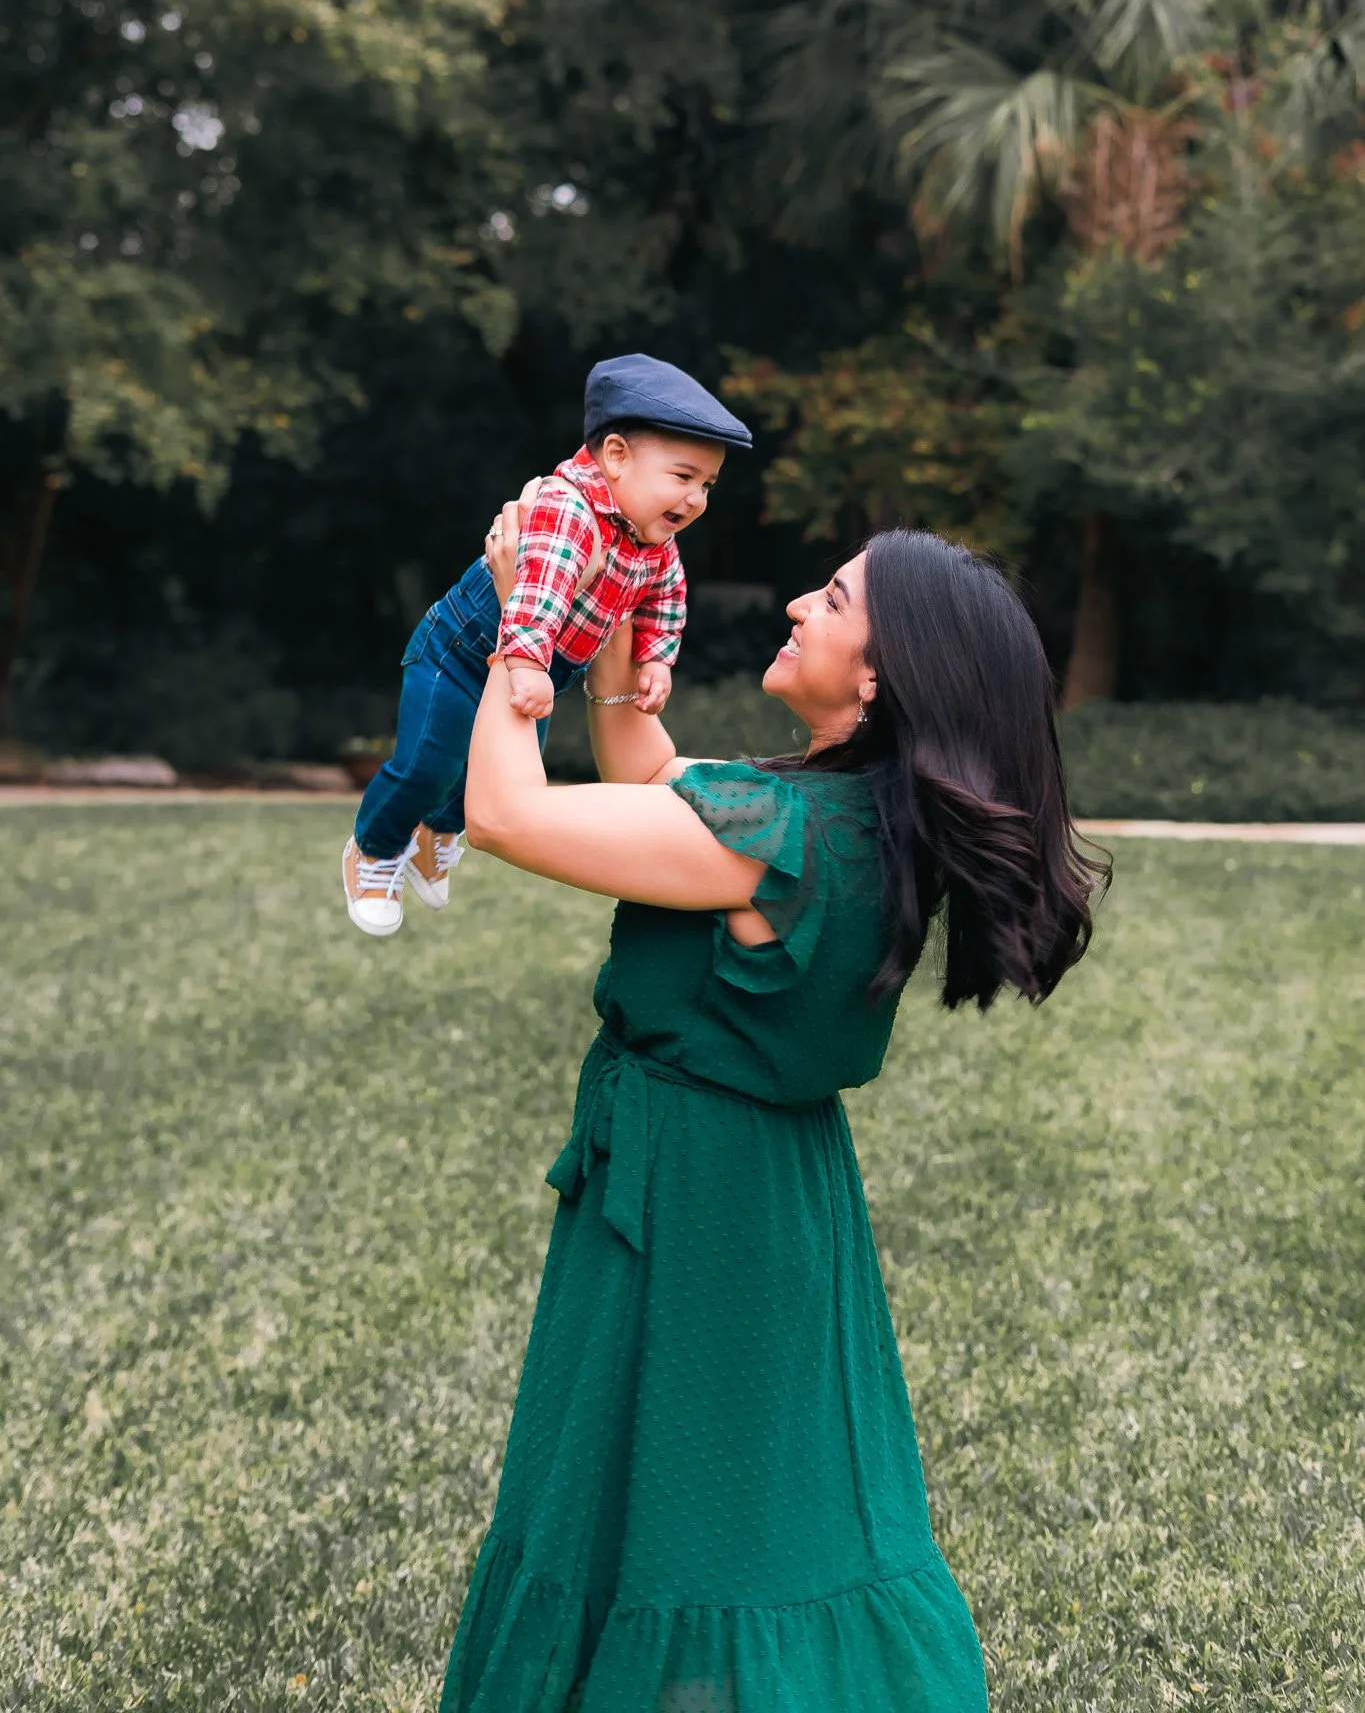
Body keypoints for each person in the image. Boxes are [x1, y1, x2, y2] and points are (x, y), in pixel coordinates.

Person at [434, 508, 1108, 1713]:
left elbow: (507, 814)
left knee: (685, 1516)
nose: (801, 603)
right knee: (740, 1507)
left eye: (835, 599)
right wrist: (620, 620)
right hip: (767, 1187)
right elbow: (646, 772)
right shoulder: (843, 819)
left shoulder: (780, 835)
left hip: (695, 1200)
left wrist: (523, 622)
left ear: (881, 674)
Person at [341, 354, 752, 936]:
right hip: (462, 655)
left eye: (707, 485)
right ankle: (375, 850)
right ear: (615, 457)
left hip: (537, 671)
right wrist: (528, 661)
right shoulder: (569, 509)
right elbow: (536, 590)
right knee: (425, 765)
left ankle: (437, 830)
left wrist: (656, 658)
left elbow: (666, 599)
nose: (696, 499)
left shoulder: (652, 538)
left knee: (498, 778)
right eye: (683, 477)